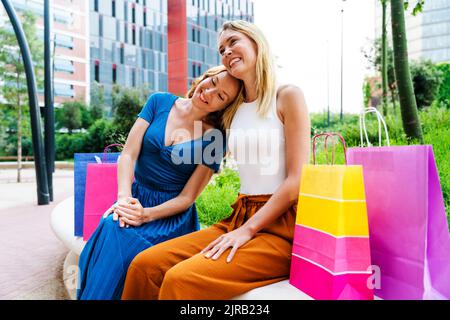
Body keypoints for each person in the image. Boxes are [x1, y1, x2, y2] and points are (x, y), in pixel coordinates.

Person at [120, 20, 311, 300]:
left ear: (256, 41)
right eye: (222, 49)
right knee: (145, 266)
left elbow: (296, 181)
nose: (227, 51)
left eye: (233, 42)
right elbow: (196, 126)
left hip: (280, 228)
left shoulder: (287, 96)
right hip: (239, 216)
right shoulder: (232, 110)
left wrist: (248, 230)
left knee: (180, 280)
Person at [77, 66, 244, 300]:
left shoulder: (215, 138)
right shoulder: (159, 102)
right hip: (135, 197)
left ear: (225, 107)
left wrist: (146, 215)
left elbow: (187, 198)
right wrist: (124, 198)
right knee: (111, 227)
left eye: (221, 96)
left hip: (169, 216)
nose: (209, 91)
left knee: (125, 242)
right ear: (205, 77)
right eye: (213, 81)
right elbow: (128, 154)